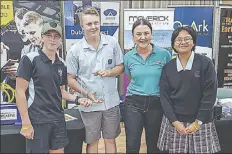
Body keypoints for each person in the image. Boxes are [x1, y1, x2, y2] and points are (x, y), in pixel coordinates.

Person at [16, 21, 93, 153]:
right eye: (49, 35)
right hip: (37, 120)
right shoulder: (30, 59)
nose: (52, 39)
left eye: (56, 36)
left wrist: (78, 99)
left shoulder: (62, 64)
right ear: (42, 37)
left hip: (58, 119)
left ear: (60, 40)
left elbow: (60, 92)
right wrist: (26, 123)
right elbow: (19, 91)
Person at [66, 7, 124, 153]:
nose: (93, 27)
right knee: (92, 142)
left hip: (111, 103)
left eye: (96, 23)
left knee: (110, 140)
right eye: (89, 24)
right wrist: (85, 93)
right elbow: (70, 79)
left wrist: (109, 72)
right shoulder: (75, 50)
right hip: (89, 106)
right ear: (82, 26)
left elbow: (120, 67)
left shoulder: (112, 43)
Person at [157, 26, 221, 153]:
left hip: (200, 122)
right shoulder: (168, 68)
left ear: (194, 42)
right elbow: (164, 97)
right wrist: (174, 121)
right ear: (173, 45)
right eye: (178, 39)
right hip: (175, 123)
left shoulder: (206, 63)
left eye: (187, 38)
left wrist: (198, 122)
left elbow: (210, 94)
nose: (183, 42)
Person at [123, 18, 172, 153]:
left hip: (156, 102)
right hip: (133, 102)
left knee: (154, 144)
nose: (143, 37)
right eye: (138, 34)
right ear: (133, 36)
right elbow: (131, 76)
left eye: (146, 33)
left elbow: (169, 78)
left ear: (151, 34)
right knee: (132, 143)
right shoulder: (128, 57)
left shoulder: (164, 54)